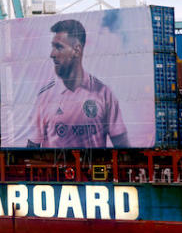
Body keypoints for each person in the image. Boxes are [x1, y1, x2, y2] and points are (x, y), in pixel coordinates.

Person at [26, 19, 130, 149]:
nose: (52, 54)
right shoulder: (44, 97)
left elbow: (123, 145)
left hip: (94, 168)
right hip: (56, 169)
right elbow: (32, 147)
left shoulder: (103, 93)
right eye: (53, 47)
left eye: (58, 47)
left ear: (77, 50)